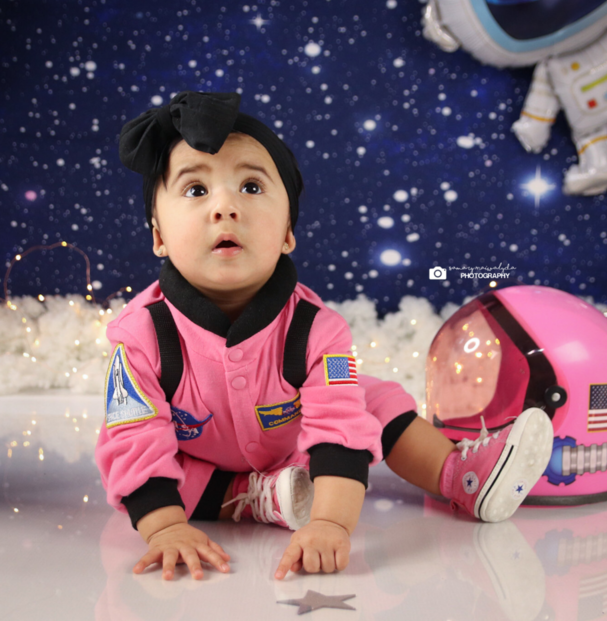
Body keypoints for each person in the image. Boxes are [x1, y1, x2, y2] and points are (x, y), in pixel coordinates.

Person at [95, 91, 554, 583]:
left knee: (371, 401)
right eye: (195, 190)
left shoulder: (318, 329)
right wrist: (165, 529)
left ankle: (459, 475)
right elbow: (135, 440)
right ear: (159, 237)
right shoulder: (140, 336)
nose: (225, 207)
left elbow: (338, 427)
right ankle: (257, 497)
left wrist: (330, 522)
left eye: (251, 186)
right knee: (165, 477)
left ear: (287, 233)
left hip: (297, 442)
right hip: (201, 462)